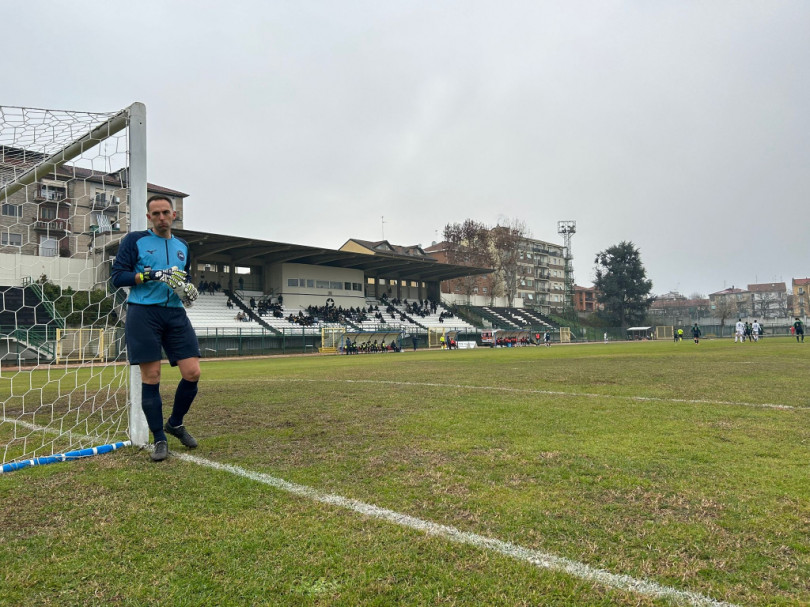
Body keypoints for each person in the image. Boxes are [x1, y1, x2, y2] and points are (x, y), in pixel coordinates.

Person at [111, 195, 201, 462]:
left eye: (165, 212)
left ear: (174, 215)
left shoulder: (183, 246)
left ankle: (174, 423)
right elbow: (118, 277)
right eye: (156, 214)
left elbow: (183, 276)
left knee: (193, 372)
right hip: (143, 313)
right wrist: (150, 275)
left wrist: (187, 290)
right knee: (151, 377)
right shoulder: (135, 240)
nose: (161, 217)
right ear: (149, 217)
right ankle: (159, 439)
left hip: (175, 314)